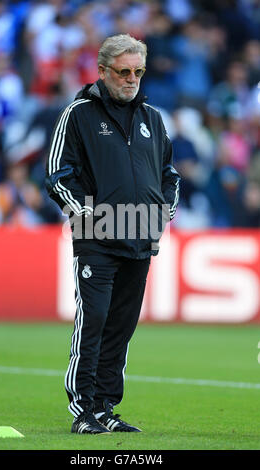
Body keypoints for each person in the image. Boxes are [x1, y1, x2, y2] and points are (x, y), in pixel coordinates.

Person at [46, 34, 180, 434]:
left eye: (138, 71)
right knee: (94, 321)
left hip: (141, 239)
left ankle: (106, 406)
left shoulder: (152, 119)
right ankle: (83, 410)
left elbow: (169, 174)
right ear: (102, 72)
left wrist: (166, 208)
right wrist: (92, 215)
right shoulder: (78, 114)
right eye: (123, 72)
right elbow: (58, 175)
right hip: (97, 238)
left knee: (121, 325)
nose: (131, 79)